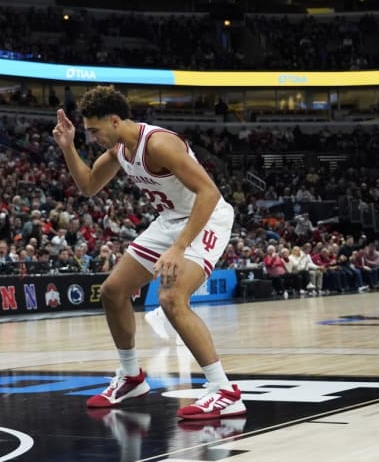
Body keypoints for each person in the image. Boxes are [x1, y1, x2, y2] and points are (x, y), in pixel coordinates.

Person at [52, 86, 245, 420]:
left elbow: (209, 192)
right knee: (113, 291)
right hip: (171, 219)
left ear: (114, 121)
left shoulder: (157, 143)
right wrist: (68, 148)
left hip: (207, 216)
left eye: (95, 130)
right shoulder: (118, 150)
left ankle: (224, 390)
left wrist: (179, 247)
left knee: (171, 299)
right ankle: (130, 376)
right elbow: (87, 186)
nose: (92, 137)